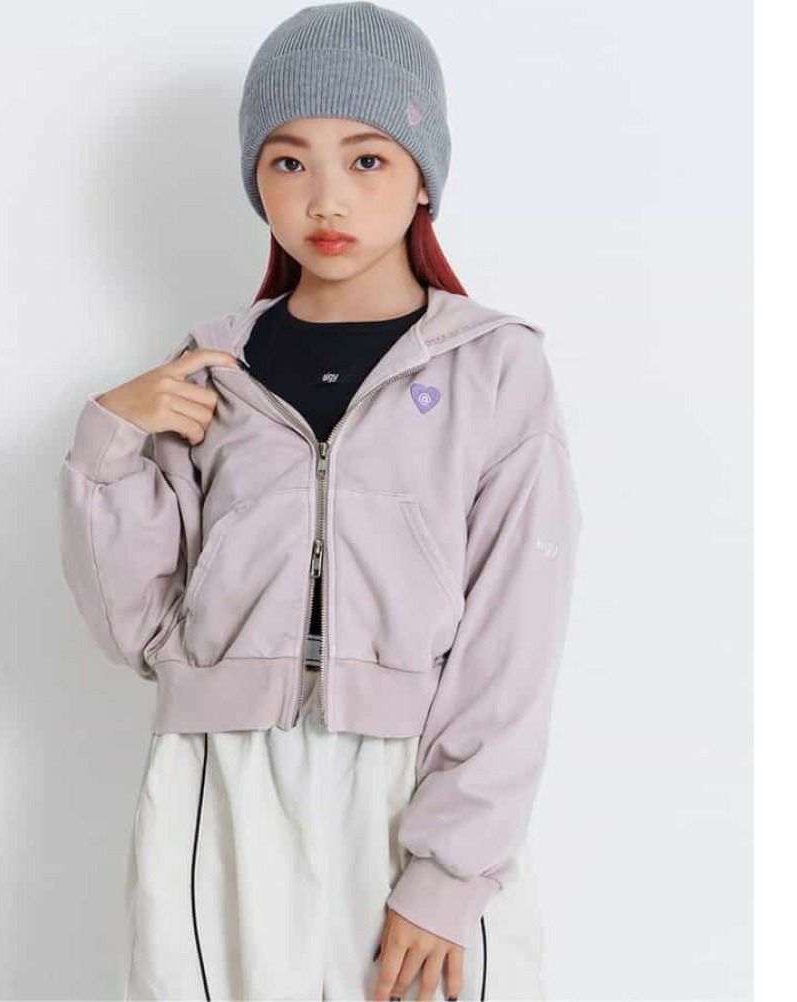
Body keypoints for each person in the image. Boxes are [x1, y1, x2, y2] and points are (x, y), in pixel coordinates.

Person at [57, 3, 582, 999]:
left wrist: (449, 869)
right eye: (289, 161)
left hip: (412, 787)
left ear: (423, 175)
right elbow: (136, 629)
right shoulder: (210, 369)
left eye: (367, 159)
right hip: (220, 784)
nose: (326, 197)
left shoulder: (495, 368)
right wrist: (110, 442)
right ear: (256, 178)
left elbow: (515, 638)